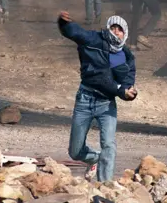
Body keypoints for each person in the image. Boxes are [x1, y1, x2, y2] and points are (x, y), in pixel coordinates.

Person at [58, 11, 137, 182]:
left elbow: (127, 83)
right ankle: (94, 158)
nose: (116, 32)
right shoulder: (94, 40)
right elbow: (75, 33)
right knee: (75, 151)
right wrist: (64, 23)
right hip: (85, 99)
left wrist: (129, 94)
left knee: (109, 145)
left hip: (106, 104)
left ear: (125, 33)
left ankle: (105, 187)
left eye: (120, 29)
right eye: (113, 27)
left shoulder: (125, 55)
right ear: (108, 28)